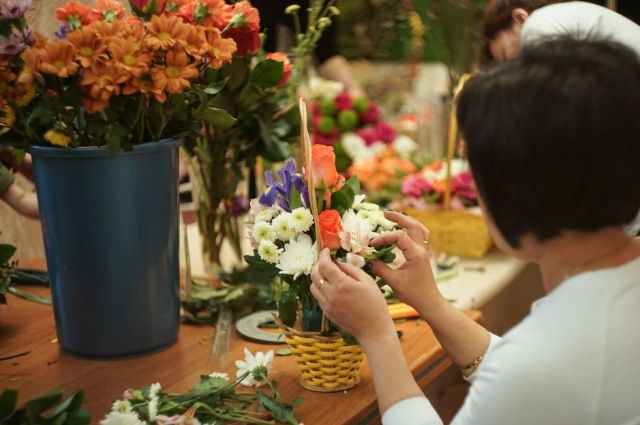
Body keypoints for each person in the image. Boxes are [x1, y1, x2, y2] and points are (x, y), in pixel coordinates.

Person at [310, 38, 640, 424]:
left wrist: (377, 336)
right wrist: (429, 301)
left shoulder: (539, 360)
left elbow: (530, 378)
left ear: (515, 193)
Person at [251, 0, 365, 97]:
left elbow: (327, 54)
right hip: (247, 87)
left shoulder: (319, 4)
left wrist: (352, 88)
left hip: (289, 91)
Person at [481, 0, 640, 63]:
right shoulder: (558, 16)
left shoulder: (536, 26)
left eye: (505, 52)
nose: (512, 61)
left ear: (520, 18)